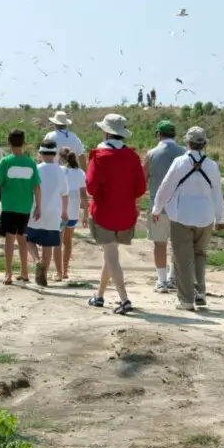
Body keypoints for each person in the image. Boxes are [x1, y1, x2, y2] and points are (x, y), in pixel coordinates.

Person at [151, 126, 224, 312]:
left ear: (187, 142)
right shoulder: (212, 165)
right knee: (200, 254)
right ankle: (200, 292)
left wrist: (157, 208)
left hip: (181, 215)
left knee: (182, 258)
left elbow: (165, 187)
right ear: (205, 144)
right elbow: (217, 192)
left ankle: (186, 300)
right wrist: (220, 218)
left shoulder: (179, 162)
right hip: (206, 217)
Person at [85, 113, 146, 315]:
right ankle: (99, 295)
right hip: (126, 214)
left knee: (111, 256)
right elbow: (140, 188)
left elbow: (91, 187)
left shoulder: (99, 156)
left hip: (104, 212)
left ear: (106, 132)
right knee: (110, 256)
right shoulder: (133, 156)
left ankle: (124, 299)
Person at [0, 129, 41, 285]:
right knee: (22, 240)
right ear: (24, 143)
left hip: (9, 207)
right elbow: (37, 187)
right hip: (25, 208)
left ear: (9, 143)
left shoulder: (6, 162)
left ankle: (8, 273)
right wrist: (39, 206)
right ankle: (24, 272)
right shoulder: (31, 163)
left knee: (9, 241)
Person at [143, 120, 186, 293]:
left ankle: (161, 281)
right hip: (181, 206)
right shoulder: (184, 152)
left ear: (158, 135)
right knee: (177, 244)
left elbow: (142, 178)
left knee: (159, 244)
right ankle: (173, 278)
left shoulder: (151, 154)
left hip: (157, 206)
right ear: (174, 135)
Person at [26, 140, 69, 286]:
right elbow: (65, 194)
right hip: (53, 214)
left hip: (35, 211)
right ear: (55, 153)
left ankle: (37, 261)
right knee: (48, 245)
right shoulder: (61, 171)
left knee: (29, 240)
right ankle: (42, 276)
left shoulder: (36, 169)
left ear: (40, 154)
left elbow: (30, 190)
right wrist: (64, 212)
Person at [59, 146, 88, 279]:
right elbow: (83, 195)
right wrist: (86, 214)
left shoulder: (60, 171)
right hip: (73, 212)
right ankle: (65, 270)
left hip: (60, 211)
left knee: (57, 242)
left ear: (61, 158)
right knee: (68, 241)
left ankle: (59, 272)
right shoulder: (80, 173)